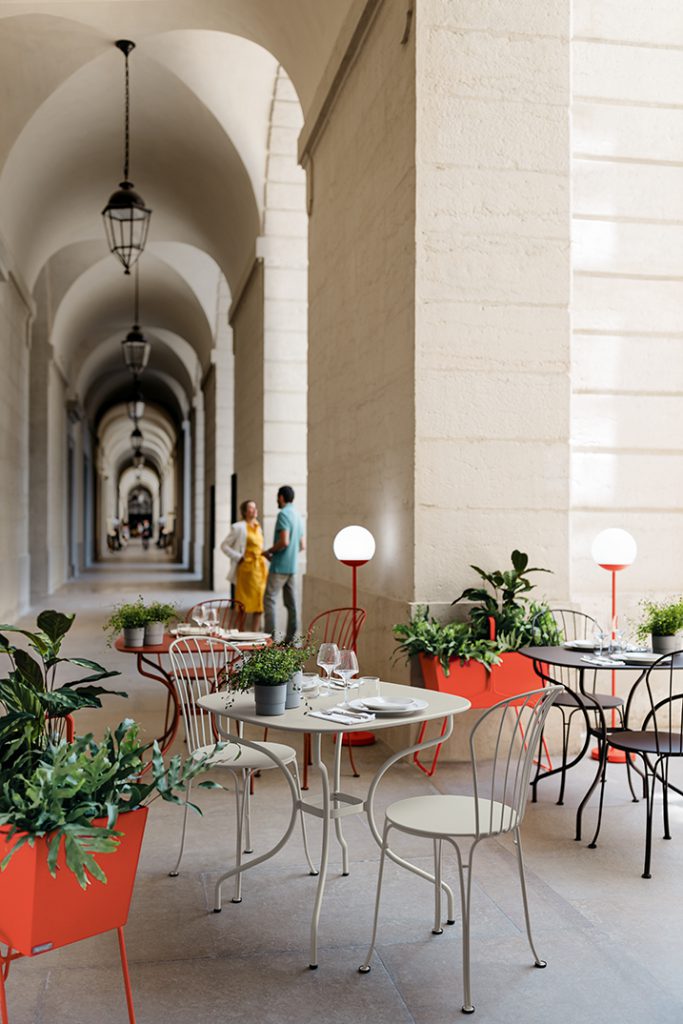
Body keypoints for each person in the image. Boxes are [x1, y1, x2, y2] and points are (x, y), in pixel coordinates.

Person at [263, 485, 305, 643]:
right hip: (292, 566)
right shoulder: (298, 515)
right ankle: (291, 640)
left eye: (277, 497)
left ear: (281, 497)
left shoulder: (283, 514)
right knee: (292, 604)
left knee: (269, 600)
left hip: (279, 566)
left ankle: (270, 639)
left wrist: (269, 552)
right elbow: (302, 545)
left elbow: (284, 541)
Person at [221, 500, 268, 630]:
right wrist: (238, 557)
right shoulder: (238, 527)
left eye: (255, 507)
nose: (255, 510)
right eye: (251, 508)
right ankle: (240, 632)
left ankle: (255, 633)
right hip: (246, 570)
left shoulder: (258, 527)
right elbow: (224, 546)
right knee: (243, 604)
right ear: (245, 512)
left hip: (260, 570)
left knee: (259, 603)